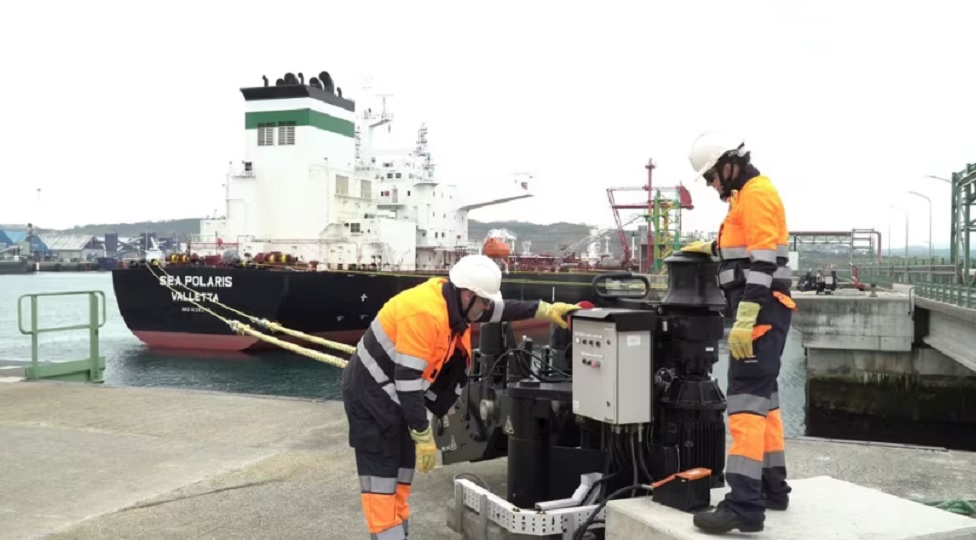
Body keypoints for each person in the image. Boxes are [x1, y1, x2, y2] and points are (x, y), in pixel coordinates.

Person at [341, 254, 582, 539]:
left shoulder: (455, 304)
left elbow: (499, 309)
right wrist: (422, 433)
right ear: (468, 295)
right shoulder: (424, 314)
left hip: (397, 397)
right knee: (381, 479)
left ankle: (398, 535)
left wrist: (544, 309)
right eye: (484, 302)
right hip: (371, 397)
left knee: (402, 475)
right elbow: (407, 382)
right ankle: (386, 534)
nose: (486, 308)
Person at [680, 131, 796, 534]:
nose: (710, 185)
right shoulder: (744, 197)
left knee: (745, 403)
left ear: (730, 164)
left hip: (760, 312)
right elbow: (743, 252)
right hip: (764, 311)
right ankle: (771, 487)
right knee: (766, 401)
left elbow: (763, 262)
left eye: (711, 176)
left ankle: (744, 506)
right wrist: (712, 249)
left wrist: (746, 316)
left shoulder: (757, 194)